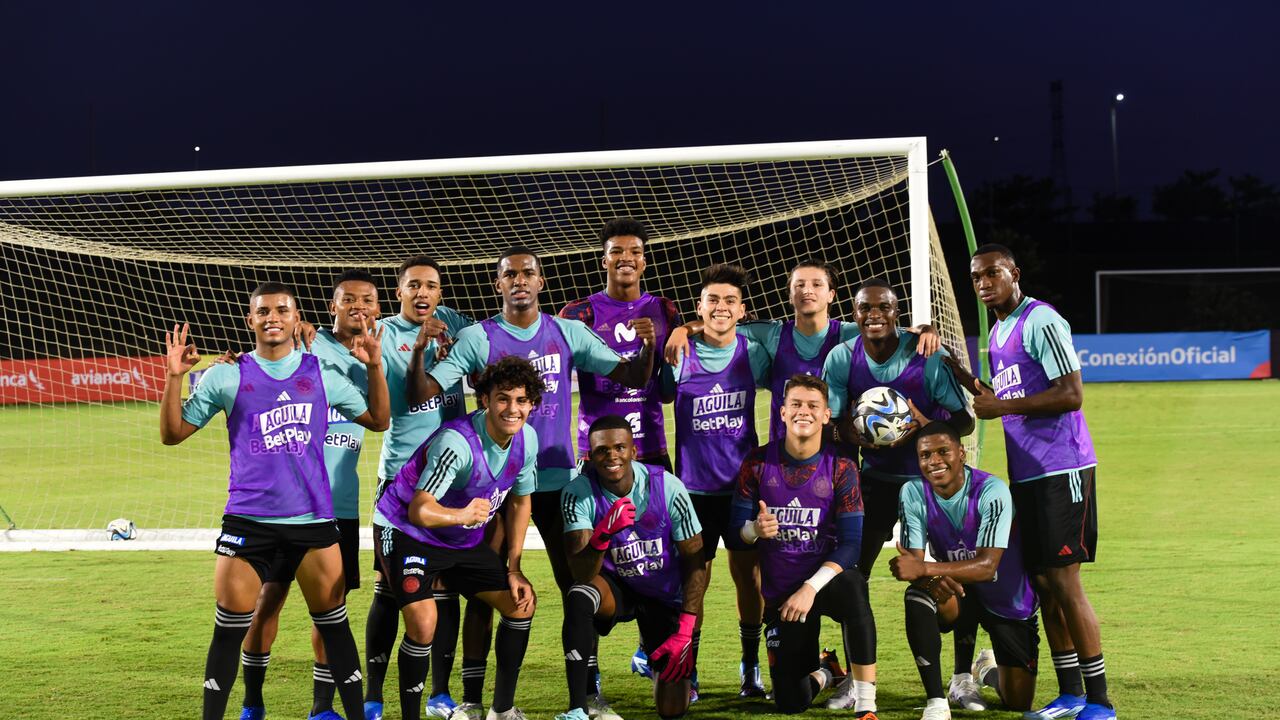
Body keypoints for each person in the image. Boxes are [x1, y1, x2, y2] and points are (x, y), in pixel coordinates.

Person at [413, 246, 654, 720]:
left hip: (560, 482)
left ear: (541, 282)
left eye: (528, 274)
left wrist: (646, 350)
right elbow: (426, 391)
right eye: (510, 275)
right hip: (496, 486)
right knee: (488, 587)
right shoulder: (477, 338)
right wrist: (420, 353)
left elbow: (629, 376)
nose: (519, 281)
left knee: (579, 589)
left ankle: (586, 694)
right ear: (497, 284)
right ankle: (473, 701)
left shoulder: (566, 332)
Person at [160, 282, 389, 720]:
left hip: (314, 521)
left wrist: (375, 367)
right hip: (248, 521)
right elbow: (173, 434)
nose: (272, 318)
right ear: (251, 319)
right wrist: (174, 378)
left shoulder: (320, 372)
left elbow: (378, 420)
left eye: (281, 310)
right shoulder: (227, 374)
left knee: (335, 629)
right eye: (263, 311)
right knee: (229, 629)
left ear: (295, 317)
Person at [952, 244, 1112, 720]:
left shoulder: (1040, 320)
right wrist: (952, 365)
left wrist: (1001, 408)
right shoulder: (1000, 330)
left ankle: (1100, 701)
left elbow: (1071, 393)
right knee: (1043, 582)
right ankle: (1069, 694)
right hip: (1029, 471)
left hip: (1063, 468)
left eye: (992, 274)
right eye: (977, 277)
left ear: (1014, 273)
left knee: (1065, 583)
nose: (983, 283)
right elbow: (1001, 395)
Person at [236, 270, 383, 720]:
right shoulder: (303, 345)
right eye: (347, 300)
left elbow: (381, 417)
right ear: (329, 306)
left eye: (367, 301)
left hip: (336, 506)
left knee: (331, 612)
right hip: (282, 508)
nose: (358, 307)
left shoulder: (381, 353)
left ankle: (322, 708)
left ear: (378, 308)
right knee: (265, 604)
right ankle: (252, 703)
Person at [371, 356, 543, 720]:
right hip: (406, 530)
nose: (512, 409)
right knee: (423, 623)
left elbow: (521, 500)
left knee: (520, 604)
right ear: (484, 399)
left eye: (521, 400)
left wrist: (514, 567)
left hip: (459, 539)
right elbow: (420, 509)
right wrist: (462, 515)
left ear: (532, 404)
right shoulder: (457, 443)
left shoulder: (527, 439)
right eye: (503, 398)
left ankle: (502, 709)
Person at [366, 257, 476, 720]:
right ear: (399, 292)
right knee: (389, 589)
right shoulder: (385, 332)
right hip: (400, 480)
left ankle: (440, 693)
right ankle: (373, 693)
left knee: (443, 585)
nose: (422, 292)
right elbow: (413, 396)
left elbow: (493, 337)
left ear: (441, 291)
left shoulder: (455, 323)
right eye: (413, 285)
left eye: (431, 285)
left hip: (450, 477)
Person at [727, 375, 873, 715]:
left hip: (823, 584)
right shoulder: (757, 463)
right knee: (791, 702)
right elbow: (735, 535)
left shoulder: (842, 468)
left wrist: (810, 587)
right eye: (795, 404)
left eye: (812, 406)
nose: (803, 412)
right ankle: (828, 671)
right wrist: (754, 529)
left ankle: (867, 705)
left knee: (854, 585)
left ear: (826, 415)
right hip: (783, 598)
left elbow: (851, 546)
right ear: (781, 412)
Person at [556, 415, 707, 720]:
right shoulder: (578, 493)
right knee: (580, 595)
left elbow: (695, 561)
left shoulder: (668, 487)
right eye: (601, 450)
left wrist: (686, 630)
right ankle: (578, 707)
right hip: (616, 588)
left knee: (672, 709)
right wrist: (603, 534)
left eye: (619, 447)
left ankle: (653, 659)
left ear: (634, 451)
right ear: (589, 456)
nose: (611, 456)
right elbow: (581, 573)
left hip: (663, 595)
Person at [669, 263, 773, 698]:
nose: (721, 307)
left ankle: (750, 668)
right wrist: (681, 330)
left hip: (743, 491)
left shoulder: (753, 353)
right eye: (712, 300)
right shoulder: (678, 354)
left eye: (730, 300)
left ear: (742, 309)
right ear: (700, 306)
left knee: (749, 579)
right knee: (694, 581)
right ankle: (687, 670)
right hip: (692, 490)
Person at [890, 421, 1040, 720]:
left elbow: (987, 567)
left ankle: (985, 669)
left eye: (943, 451)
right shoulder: (913, 492)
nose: (934, 461)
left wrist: (925, 567)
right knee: (919, 593)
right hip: (959, 591)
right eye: (925, 455)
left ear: (961, 454)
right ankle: (940, 699)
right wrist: (922, 571)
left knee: (1018, 701)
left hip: (1007, 598)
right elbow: (913, 565)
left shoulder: (992, 490)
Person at [560, 217, 681, 469]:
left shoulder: (664, 310)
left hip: (649, 445)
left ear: (643, 262)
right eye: (616, 251)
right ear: (605, 261)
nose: (626, 257)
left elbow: (667, 392)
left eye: (635, 252)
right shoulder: (578, 313)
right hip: (599, 449)